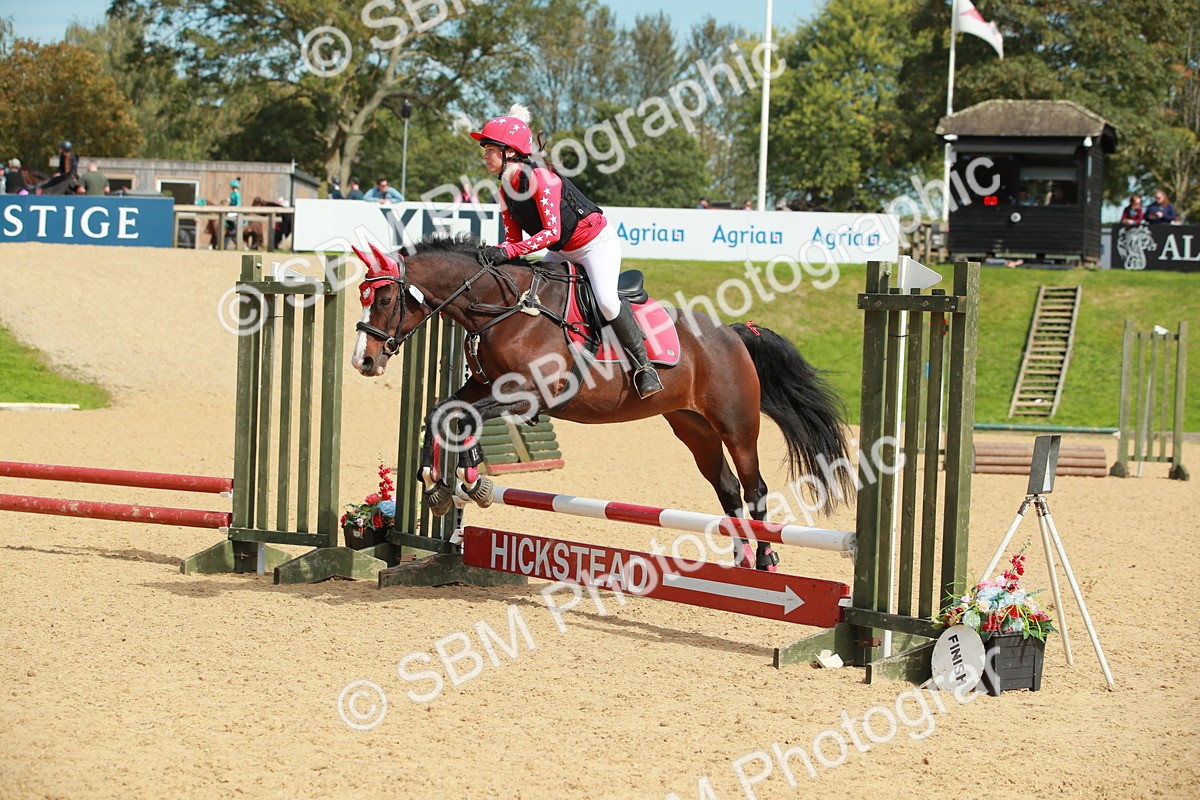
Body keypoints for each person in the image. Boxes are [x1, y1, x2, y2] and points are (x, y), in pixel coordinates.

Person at [471, 104, 662, 399]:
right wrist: (498, 255)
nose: (485, 155)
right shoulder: (504, 191)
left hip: (594, 244)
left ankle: (644, 366)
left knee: (608, 302)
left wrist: (506, 252)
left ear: (509, 151)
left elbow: (551, 233)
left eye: (489, 149)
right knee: (531, 295)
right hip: (562, 250)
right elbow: (513, 240)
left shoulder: (542, 180)